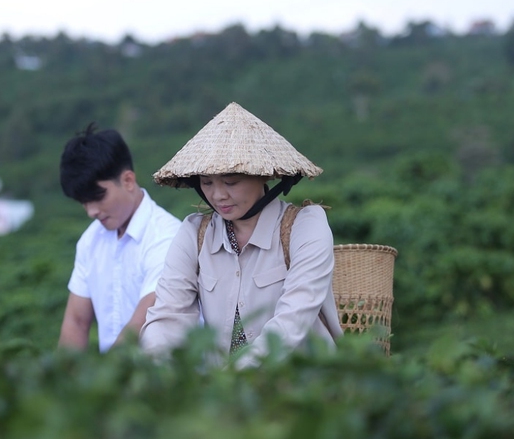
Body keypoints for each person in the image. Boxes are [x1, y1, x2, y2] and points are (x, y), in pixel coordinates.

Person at [140, 102, 343, 368]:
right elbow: (168, 316)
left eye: (231, 182)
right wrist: (159, 368)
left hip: (302, 389)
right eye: (207, 183)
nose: (218, 195)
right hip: (225, 397)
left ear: (263, 175)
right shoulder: (194, 233)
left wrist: (236, 379)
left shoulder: (305, 227)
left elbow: (292, 322)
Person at [58, 123, 181, 352]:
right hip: (115, 378)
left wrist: (104, 383)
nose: (91, 211)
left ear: (128, 180)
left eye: (98, 197)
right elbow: (76, 321)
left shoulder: (169, 237)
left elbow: (142, 321)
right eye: (83, 201)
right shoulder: (90, 241)